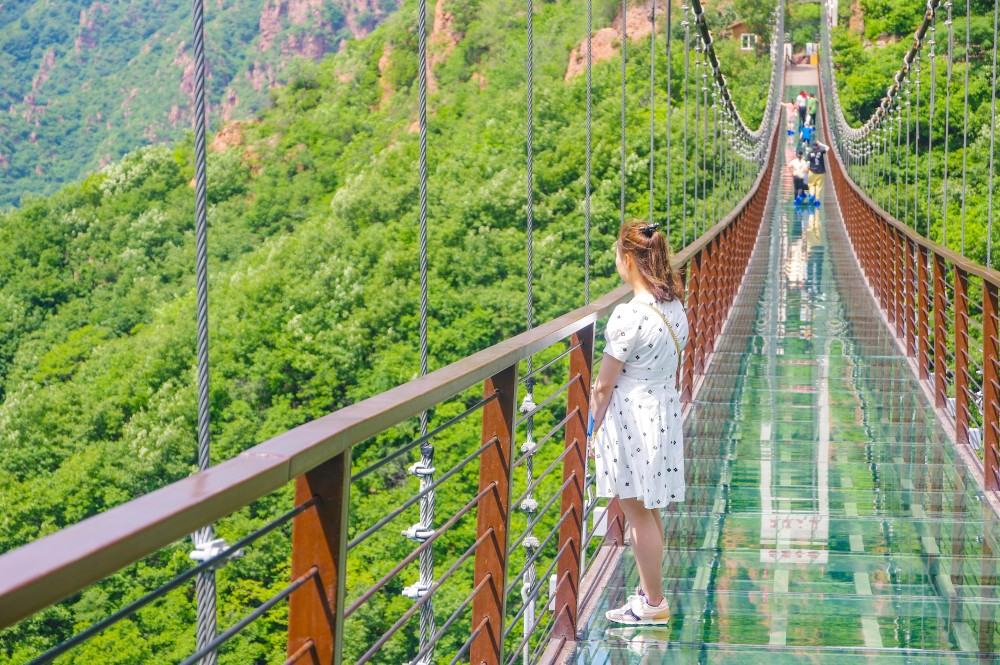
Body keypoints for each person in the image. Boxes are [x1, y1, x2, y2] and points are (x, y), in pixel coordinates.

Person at [590, 220, 689, 626]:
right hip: (662, 413)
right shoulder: (674, 307)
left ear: (628, 260)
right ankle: (650, 594)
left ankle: (653, 604)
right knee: (649, 509)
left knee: (635, 512)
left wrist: (591, 428)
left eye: (618, 253)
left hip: (633, 419)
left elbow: (603, 384)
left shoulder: (627, 316)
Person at [807, 140, 830, 205]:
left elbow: (808, 164)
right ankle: (817, 200)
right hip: (820, 171)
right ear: (818, 146)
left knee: (811, 185)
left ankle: (811, 195)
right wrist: (821, 144)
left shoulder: (809, 153)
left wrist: (808, 169)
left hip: (812, 171)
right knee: (818, 186)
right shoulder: (820, 151)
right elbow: (828, 148)